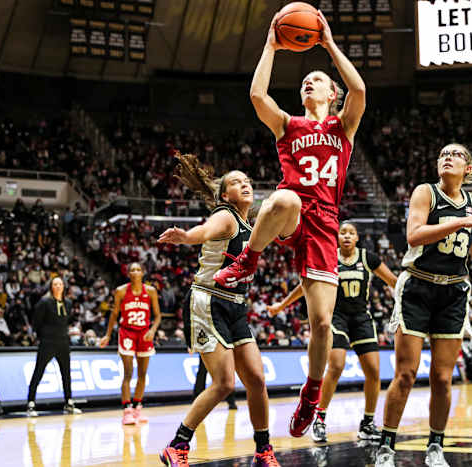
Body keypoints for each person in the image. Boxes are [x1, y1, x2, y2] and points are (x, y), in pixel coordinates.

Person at [212, 9, 366, 438]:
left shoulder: (342, 125)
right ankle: (248, 259)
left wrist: (329, 44)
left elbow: (360, 87)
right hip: (293, 215)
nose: (308, 82)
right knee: (282, 195)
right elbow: (258, 96)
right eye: (305, 80)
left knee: (321, 324)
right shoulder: (289, 124)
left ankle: (311, 394)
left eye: (316, 79)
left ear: (331, 93)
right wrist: (271, 46)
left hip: (326, 226)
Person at [376, 143, 472, 467]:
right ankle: (386, 446)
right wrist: (460, 222)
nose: (447, 157)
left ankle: (435, 446)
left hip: (453, 293)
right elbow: (414, 236)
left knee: (443, 379)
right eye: (442, 154)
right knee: (405, 374)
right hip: (417, 286)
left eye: (455, 154)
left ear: (468, 167)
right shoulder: (426, 193)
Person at [157, 153, 280, 467]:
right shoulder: (225, 215)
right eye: (237, 182)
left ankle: (264, 449)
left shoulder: (249, 224)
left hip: (236, 305)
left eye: (247, 181)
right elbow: (206, 230)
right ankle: (177, 445)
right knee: (224, 383)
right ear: (225, 194)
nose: (245, 185)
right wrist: (187, 237)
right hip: (209, 300)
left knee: (256, 378)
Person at [267, 222, 397, 443]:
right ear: (337, 238)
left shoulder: (368, 258)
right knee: (335, 365)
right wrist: (281, 305)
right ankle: (320, 418)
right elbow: (306, 286)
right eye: (342, 232)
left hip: (361, 317)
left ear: (357, 238)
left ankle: (367, 424)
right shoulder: (329, 257)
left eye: (351, 233)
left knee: (374, 371)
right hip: (336, 317)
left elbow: (393, 281)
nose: (346, 236)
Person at [100, 262, 162, 425]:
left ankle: (137, 408)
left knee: (142, 374)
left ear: (143, 273)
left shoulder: (150, 291)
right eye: (132, 269)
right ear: (128, 274)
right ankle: (127, 411)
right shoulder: (121, 291)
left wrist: (152, 330)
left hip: (144, 334)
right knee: (128, 373)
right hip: (126, 333)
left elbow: (158, 316)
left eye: (138, 269)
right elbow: (114, 314)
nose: (135, 272)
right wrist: (107, 335)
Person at [26, 277, 81, 416]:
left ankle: (68, 402)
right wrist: (42, 336)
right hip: (47, 342)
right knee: (39, 371)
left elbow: (67, 321)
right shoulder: (44, 302)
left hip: (63, 342)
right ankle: (30, 403)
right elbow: (36, 322)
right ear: (51, 287)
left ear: (64, 286)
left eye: (60, 284)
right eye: (55, 284)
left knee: (66, 373)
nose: (58, 286)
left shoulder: (68, 303)